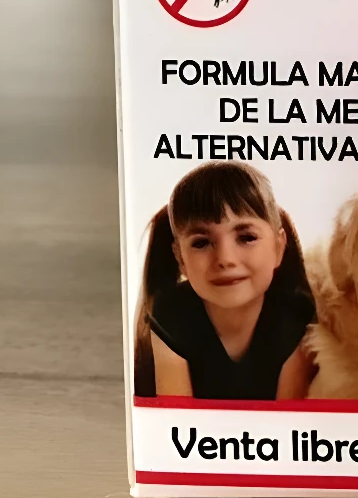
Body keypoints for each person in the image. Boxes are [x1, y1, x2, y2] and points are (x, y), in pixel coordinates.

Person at [133, 163, 316, 400]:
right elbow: (177, 416)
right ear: (180, 258)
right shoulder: (169, 314)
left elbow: (287, 417)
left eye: (246, 238)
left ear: (279, 246)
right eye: (201, 243)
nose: (225, 259)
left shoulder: (297, 317)